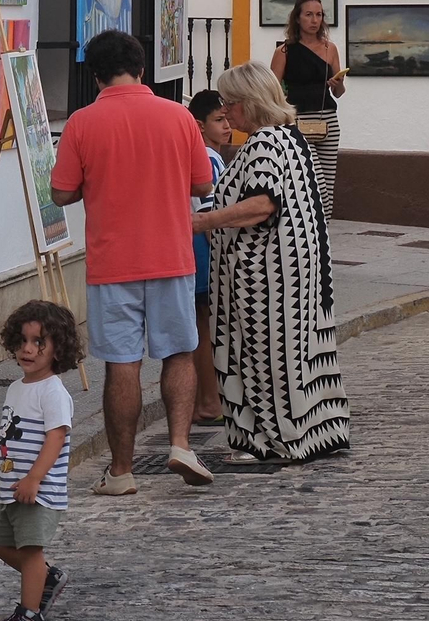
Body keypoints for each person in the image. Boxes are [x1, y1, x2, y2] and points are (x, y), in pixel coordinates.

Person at [51, 29, 215, 493]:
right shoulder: (180, 118)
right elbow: (203, 186)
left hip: (112, 262)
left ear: (95, 74)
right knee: (179, 352)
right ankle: (180, 443)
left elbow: (61, 192)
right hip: (172, 256)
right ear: (142, 70)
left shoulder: (82, 123)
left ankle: (121, 472)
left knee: (122, 363)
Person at [194, 61, 352, 463]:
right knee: (293, 356)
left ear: (250, 102)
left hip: (266, 279)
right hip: (292, 273)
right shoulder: (290, 138)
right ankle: (304, 433)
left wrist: (202, 221)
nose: (226, 111)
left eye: (229, 103)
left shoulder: (265, 143)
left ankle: (268, 440)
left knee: (262, 357)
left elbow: (263, 204)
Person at [0, 301, 82, 621]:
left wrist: (34, 478)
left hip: (37, 491)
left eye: (39, 342)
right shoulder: (16, 387)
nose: (28, 349)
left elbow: (55, 439)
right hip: (11, 487)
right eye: (23, 340)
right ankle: (46, 576)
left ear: (58, 349)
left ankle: (31, 614)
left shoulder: (53, 392)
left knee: (29, 550)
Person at [271, 0, 346, 221]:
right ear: (297, 18)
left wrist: (339, 84)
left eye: (319, 15)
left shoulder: (329, 48)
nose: (315, 20)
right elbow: (272, 91)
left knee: (328, 182)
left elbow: (338, 93)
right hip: (300, 121)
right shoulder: (284, 51)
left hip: (328, 120)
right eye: (309, 15)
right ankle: (311, 225)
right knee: (315, 180)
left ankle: (323, 228)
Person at [188, 90, 232, 424]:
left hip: (195, 250)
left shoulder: (206, 156)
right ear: (200, 126)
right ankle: (209, 400)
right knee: (206, 328)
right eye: (219, 120)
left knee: (202, 327)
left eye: (228, 118)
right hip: (203, 251)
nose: (227, 126)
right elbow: (209, 214)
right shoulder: (209, 159)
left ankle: (206, 398)